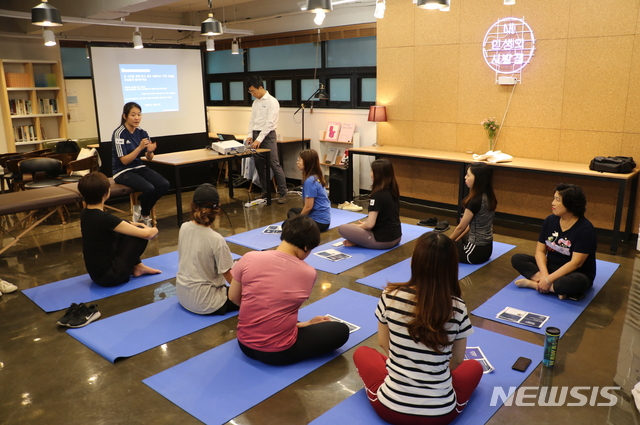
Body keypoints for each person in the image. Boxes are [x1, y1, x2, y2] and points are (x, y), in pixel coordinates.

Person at [353, 232, 483, 425]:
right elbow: (456, 361)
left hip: (390, 407)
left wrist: (408, 363)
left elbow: (383, 342)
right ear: (452, 267)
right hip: (441, 414)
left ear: (416, 261)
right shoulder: (457, 307)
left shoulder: (390, 295)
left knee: (362, 353)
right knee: (475, 367)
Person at [229, 215, 349, 366]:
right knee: (341, 331)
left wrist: (307, 323)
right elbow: (278, 311)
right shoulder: (308, 272)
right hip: (278, 353)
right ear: (306, 247)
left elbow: (234, 297)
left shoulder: (248, 257)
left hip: (244, 344)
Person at [511, 183, 597, 300]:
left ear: (570, 204)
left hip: (574, 273)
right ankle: (553, 288)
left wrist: (548, 280)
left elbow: (576, 263)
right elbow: (540, 251)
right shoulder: (550, 220)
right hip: (550, 267)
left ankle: (535, 284)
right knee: (517, 258)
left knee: (575, 282)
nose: (553, 203)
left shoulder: (585, 229)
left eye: (557, 200)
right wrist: (545, 275)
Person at [78, 171, 160, 287]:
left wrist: (135, 225)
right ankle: (135, 267)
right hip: (110, 277)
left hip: (97, 275)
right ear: (106, 193)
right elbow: (146, 234)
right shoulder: (104, 218)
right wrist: (153, 229)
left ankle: (138, 266)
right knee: (139, 232)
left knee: (126, 230)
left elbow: (124, 223)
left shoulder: (86, 213)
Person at [176, 183, 239, 315]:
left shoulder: (184, 227)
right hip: (207, 303)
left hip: (183, 296)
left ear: (192, 206)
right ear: (217, 209)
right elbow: (231, 280)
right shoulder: (216, 240)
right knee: (258, 292)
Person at [112, 101, 170, 226]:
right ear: (125, 116)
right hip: (122, 171)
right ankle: (145, 216)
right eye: (133, 115)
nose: (137, 118)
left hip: (139, 167)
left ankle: (143, 212)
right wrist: (139, 148)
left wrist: (149, 151)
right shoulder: (119, 133)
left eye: (139, 114)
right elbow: (124, 161)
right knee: (149, 188)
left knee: (164, 184)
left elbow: (149, 158)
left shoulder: (142, 132)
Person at [338, 158, 401, 249]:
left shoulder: (378, 195)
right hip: (397, 237)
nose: (370, 173)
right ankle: (358, 240)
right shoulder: (393, 190)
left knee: (343, 228)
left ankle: (358, 241)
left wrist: (359, 226)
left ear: (378, 175)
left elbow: (370, 225)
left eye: (372, 171)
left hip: (383, 241)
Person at [246, 76, 288, 204]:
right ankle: (265, 191)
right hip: (256, 135)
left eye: (253, 91)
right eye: (250, 92)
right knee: (260, 165)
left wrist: (259, 139)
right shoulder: (255, 102)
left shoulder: (272, 101)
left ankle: (283, 193)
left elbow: (270, 123)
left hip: (268, 136)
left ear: (261, 87)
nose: (252, 94)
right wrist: (249, 135)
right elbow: (252, 120)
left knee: (274, 164)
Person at [449, 162, 497, 264]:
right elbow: (470, 226)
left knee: (439, 243)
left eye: (468, 175)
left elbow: (461, 227)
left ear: (477, 178)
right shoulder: (489, 197)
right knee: (457, 238)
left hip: (473, 254)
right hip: (487, 249)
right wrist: (456, 239)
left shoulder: (475, 201)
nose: (465, 177)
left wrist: (446, 243)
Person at [286, 149, 331, 232]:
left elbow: (308, 207)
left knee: (286, 225)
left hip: (319, 222)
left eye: (299, 160)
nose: (297, 162)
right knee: (292, 210)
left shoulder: (310, 181)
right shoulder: (316, 176)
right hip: (324, 219)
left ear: (307, 162)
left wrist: (297, 221)